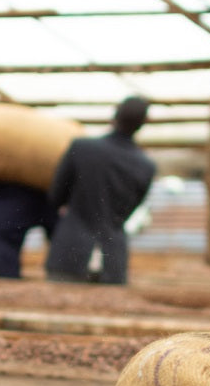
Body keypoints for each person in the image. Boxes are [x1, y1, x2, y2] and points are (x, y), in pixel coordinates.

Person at [45, 96, 156, 285]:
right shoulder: (146, 166)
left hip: (70, 254)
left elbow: (55, 197)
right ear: (144, 123)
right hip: (112, 262)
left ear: (114, 115)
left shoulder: (81, 148)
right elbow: (129, 211)